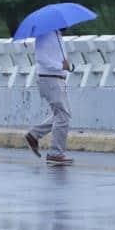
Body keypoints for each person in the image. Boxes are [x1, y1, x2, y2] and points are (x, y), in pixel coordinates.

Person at [24, 29, 74, 166]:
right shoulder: (45, 34)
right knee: (63, 115)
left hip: (56, 79)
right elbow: (40, 58)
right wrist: (60, 66)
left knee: (62, 115)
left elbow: (60, 60)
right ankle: (55, 153)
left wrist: (66, 67)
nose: (67, 26)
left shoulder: (57, 35)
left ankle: (34, 134)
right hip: (50, 79)